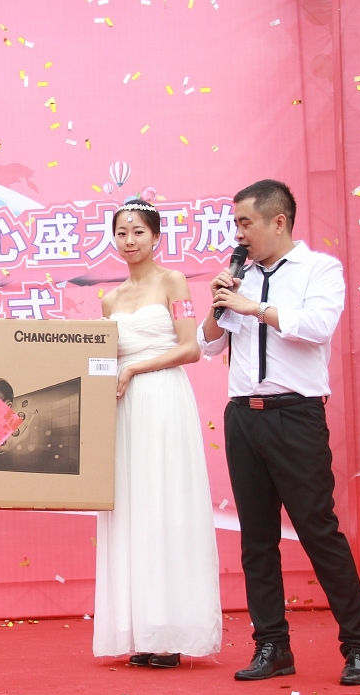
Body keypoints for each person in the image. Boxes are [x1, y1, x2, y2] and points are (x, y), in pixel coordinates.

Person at [200, 179, 360, 686]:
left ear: (278, 221)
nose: (238, 234)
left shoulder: (320, 269)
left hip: (295, 416)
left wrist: (252, 307)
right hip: (243, 417)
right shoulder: (239, 277)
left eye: (246, 223)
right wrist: (219, 303)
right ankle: (272, 645)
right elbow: (208, 345)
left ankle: (359, 646)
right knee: (257, 540)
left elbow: (317, 327)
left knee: (318, 531)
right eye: (235, 224)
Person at [92, 197, 223, 667]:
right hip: (122, 410)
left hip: (163, 401)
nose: (129, 241)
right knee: (132, 509)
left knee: (166, 507)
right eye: (121, 232)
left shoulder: (173, 282)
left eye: (138, 232)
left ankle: (171, 632)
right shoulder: (109, 299)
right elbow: (101, 359)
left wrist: (135, 369)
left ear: (156, 237)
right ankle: (142, 631)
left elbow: (190, 349)